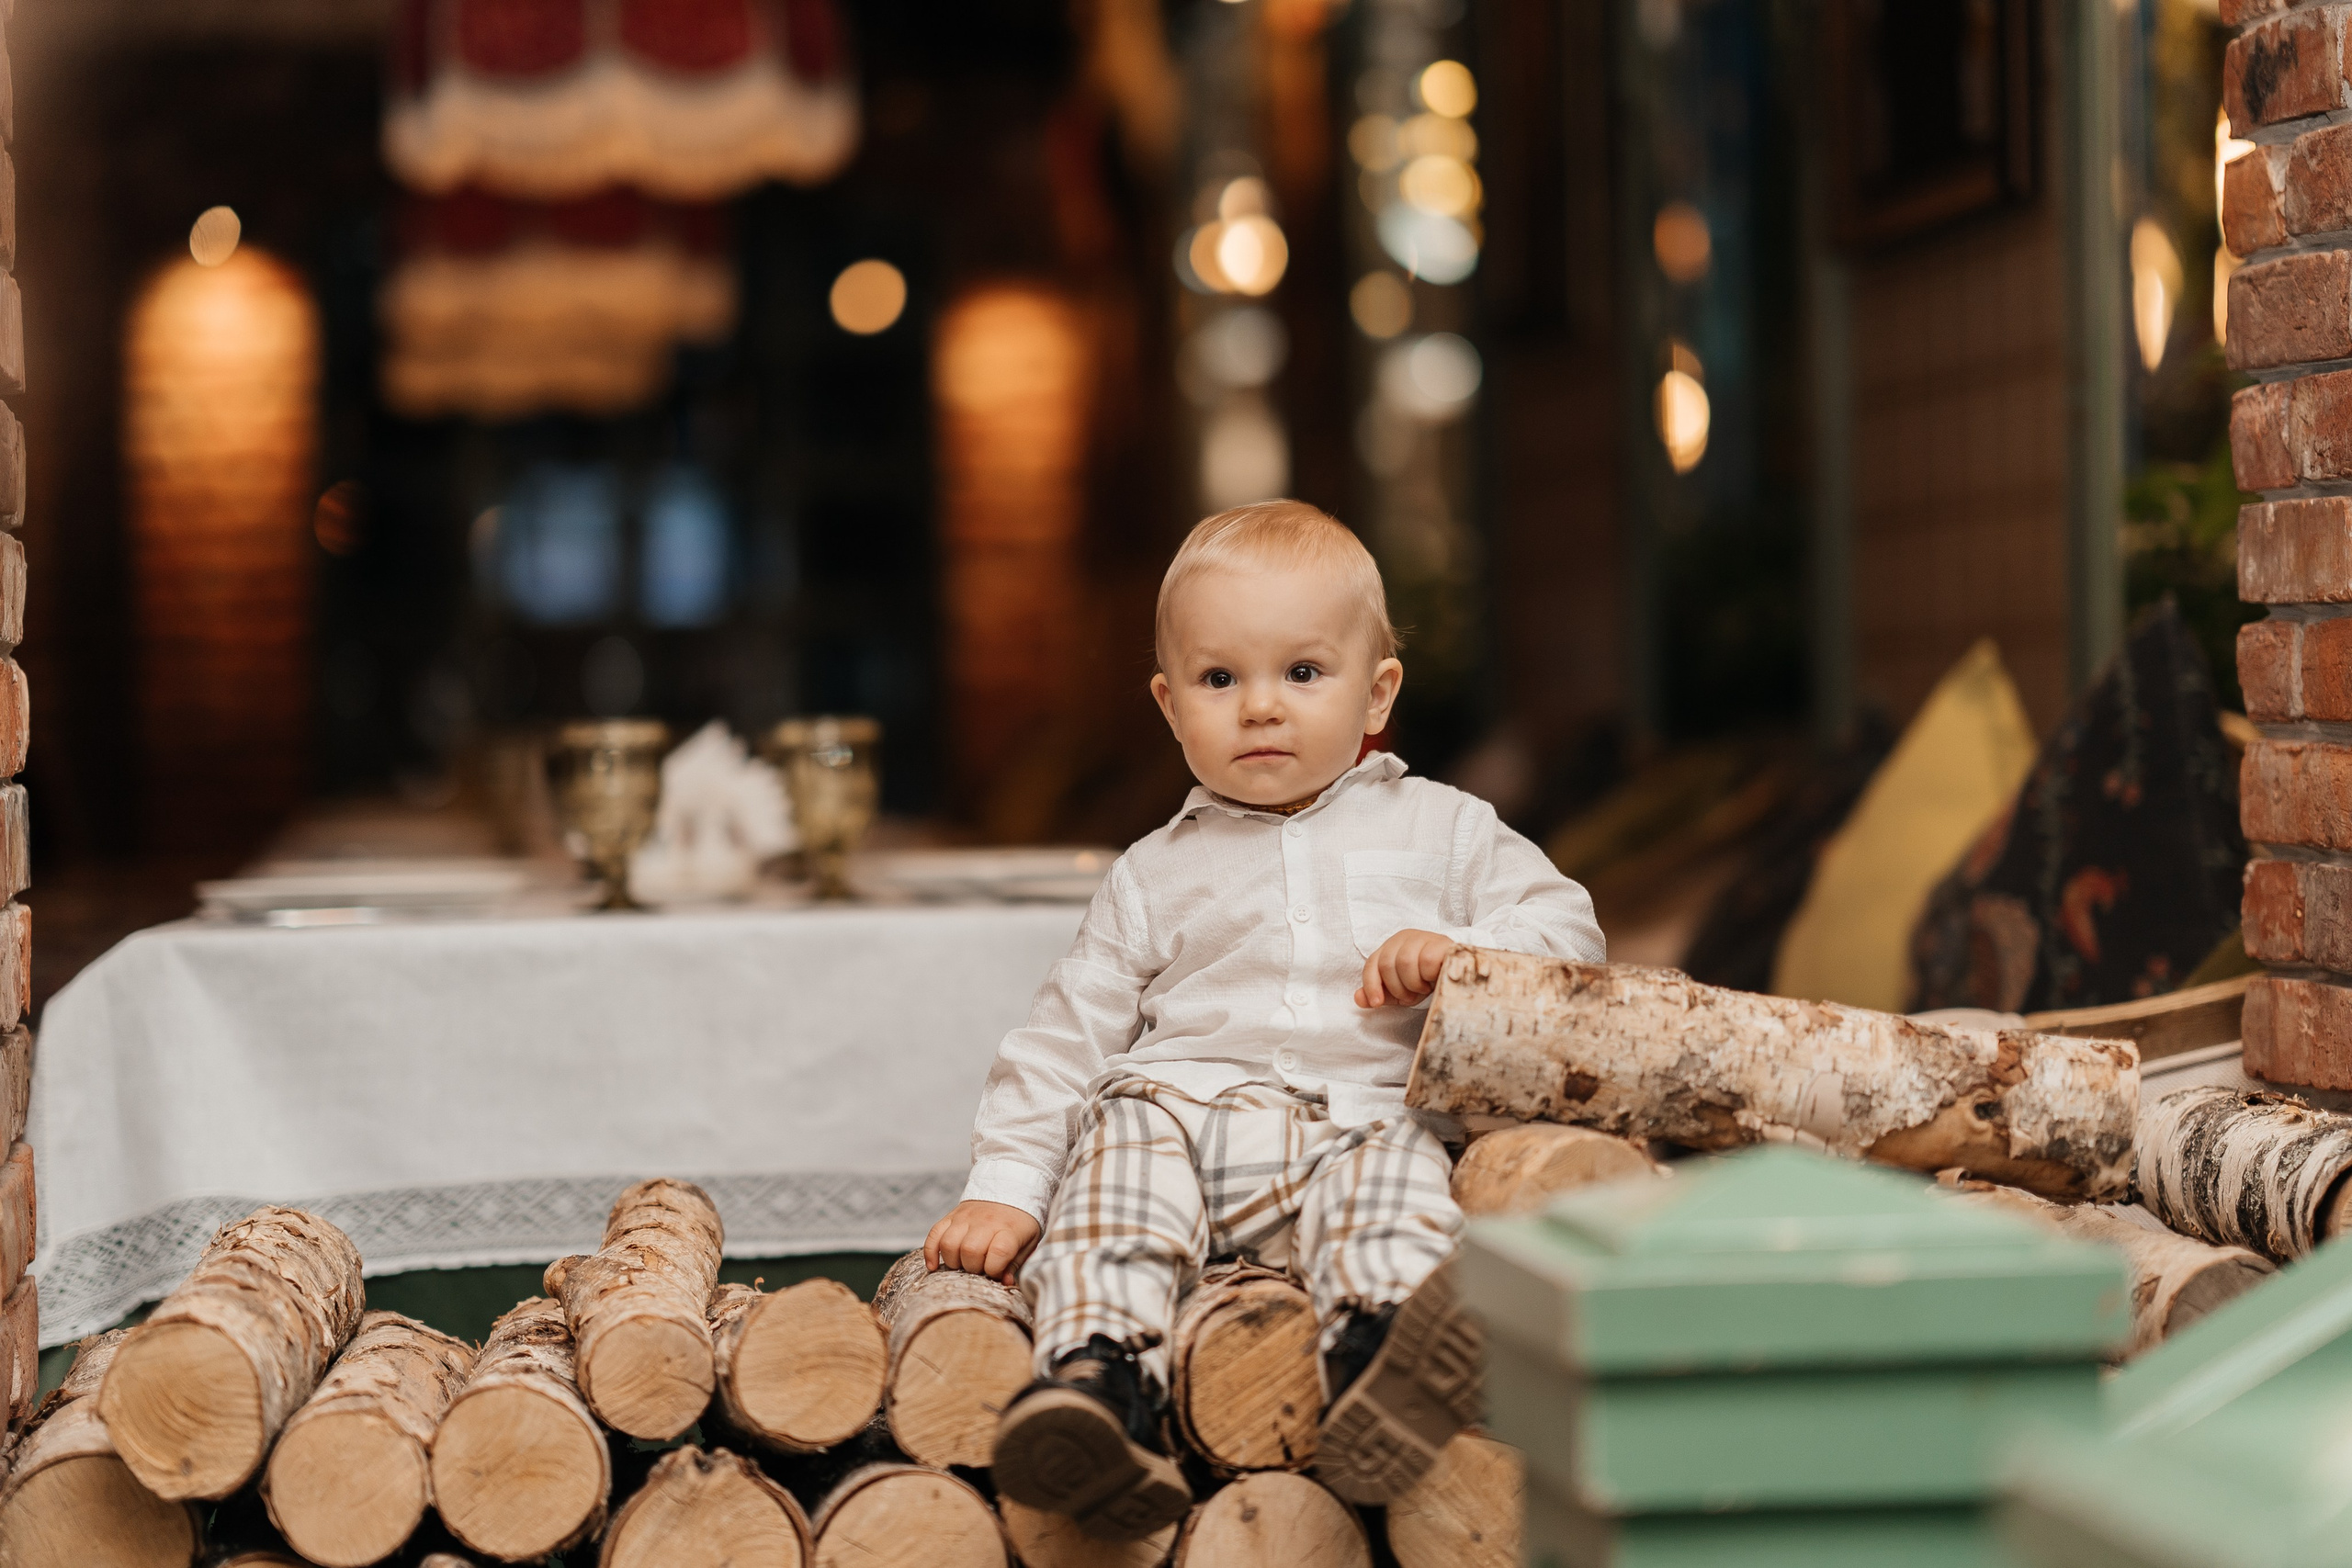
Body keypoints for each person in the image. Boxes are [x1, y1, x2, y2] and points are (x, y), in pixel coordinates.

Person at [922, 500, 1605, 1538]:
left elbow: (1569, 931)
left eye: (1301, 673)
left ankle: (1380, 1352)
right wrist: (1009, 1187)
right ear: (1168, 706)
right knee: (1115, 1160)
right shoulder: (1154, 874)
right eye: (1218, 680)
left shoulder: (1446, 831)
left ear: (1376, 693)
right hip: (1182, 1121)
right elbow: (1064, 1038)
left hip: (1355, 1120)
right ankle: (1099, 1383)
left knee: (1397, 1183)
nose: (1260, 709)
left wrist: (1469, 960)